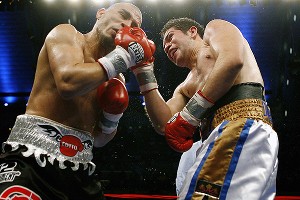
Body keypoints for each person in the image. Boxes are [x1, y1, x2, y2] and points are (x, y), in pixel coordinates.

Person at [0, 3, 147, 199]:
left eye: (134, 24)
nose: (126, 24)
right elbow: (68, 83)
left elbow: (100, 140)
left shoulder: (116, 78)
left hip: (79, 169)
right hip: (32, 161)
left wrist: (113, 115)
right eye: (123, 15)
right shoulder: (67, 34)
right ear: (100, 14)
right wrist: (123, 58)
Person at [130, 18, 279, 199]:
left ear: (192, 32)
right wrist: (144, 73)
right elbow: (165, 125)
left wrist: (190, 114)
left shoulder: (215, 28)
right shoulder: (185, 87)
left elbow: (232, 61)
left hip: (242, 127)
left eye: (170, 37)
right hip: (222, 138)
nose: (167, 46)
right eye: (164, 45)